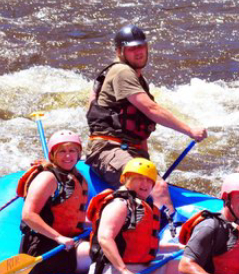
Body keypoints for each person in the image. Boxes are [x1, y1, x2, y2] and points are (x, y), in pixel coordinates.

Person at [86, 24, 207, 212]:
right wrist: (189, 130)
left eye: (141, 46)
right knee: (157, 187)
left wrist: (146, 161)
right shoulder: (122, 71)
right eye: (132, 48)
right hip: (109, 149)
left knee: (152, 183)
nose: (138, 52)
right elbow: (150, 109)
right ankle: (169, 234)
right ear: (119, 51)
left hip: (126, 149)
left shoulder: (137, 79)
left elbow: (138, 128)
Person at [87, 158, 184, 274]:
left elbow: (141, 244)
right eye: (138, 178)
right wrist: (123, 270)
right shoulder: (119, 204)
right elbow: (105, 238)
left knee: (180, 270)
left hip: (140, 269)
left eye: (148, 180)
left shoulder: (142, 205)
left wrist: (177, 248)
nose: (144, 184)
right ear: (125, 178)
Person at [18, 130, 91, 274]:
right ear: (53, 155)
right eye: (62, 151)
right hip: (44, 249)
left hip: (69, 243)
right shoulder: (48, 178)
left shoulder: (77, 178)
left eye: (72, 151)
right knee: (100, 253)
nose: (68, 156)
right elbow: (28, 215)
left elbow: (72, 216)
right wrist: (58, 237)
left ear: (78, 154)